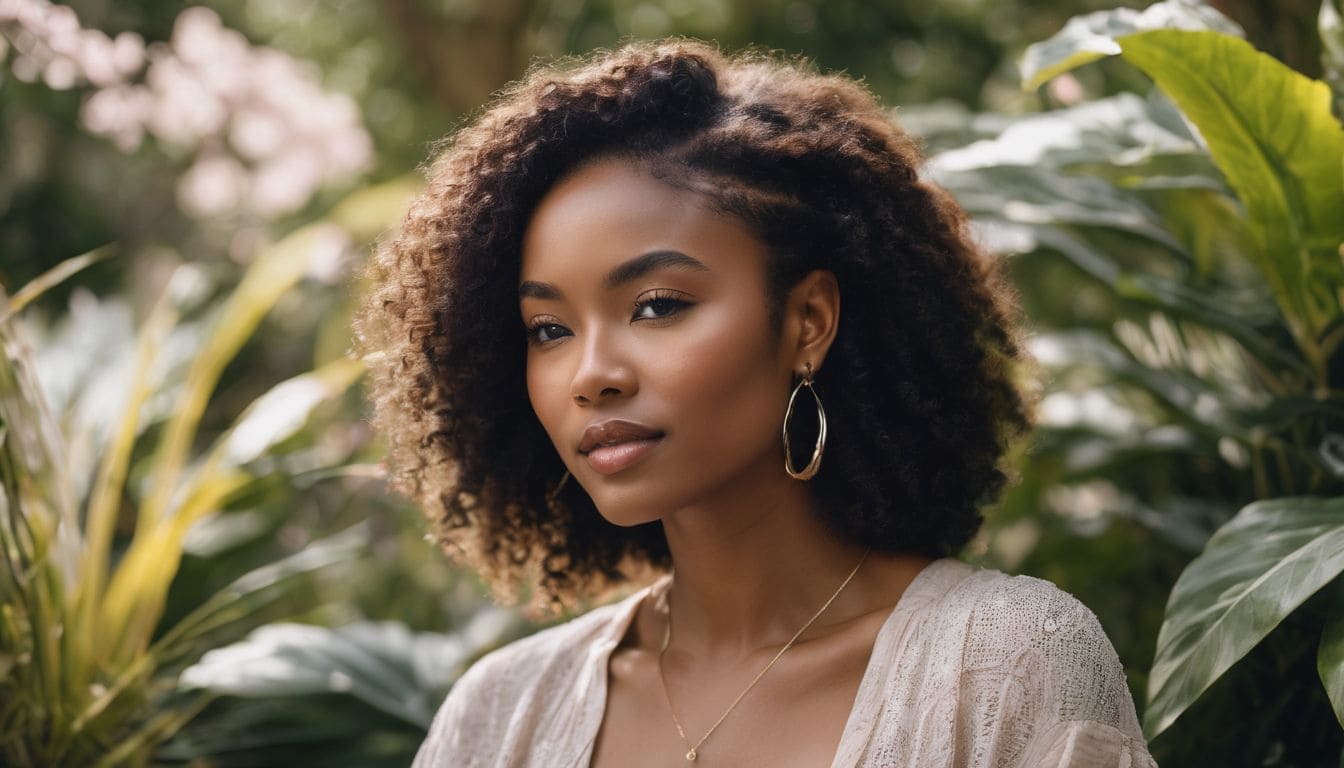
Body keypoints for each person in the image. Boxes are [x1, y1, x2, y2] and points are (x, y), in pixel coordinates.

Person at [355, 38, 1156, 768]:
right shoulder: (501, 718)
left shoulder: (1002, 669)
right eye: (550, 328)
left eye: (658, 305)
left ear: (808, 321)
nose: (590, 374)